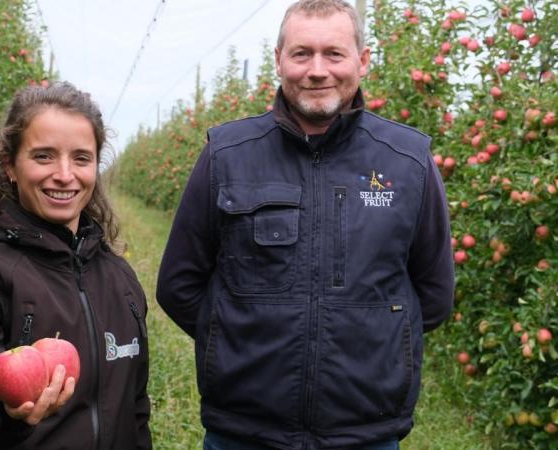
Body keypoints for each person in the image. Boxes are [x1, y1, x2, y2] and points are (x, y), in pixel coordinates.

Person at [156, 0, 454, 448]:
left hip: (365, 433)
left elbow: (433, 293)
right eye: (301, 54)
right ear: (279, 60)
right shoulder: (228, 153)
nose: (317, 70)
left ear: (363, 60)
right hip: (244, 432)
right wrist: (235, 339)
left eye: (334, 53)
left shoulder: (407, 160)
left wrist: (378, 343)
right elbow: (180, 283)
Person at [0, 82, 151, 449]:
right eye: (43, 156)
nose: (63, 174)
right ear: (10, 165)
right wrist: (2, 407)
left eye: (81, 158)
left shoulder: (117, 278)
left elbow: (135, 408)